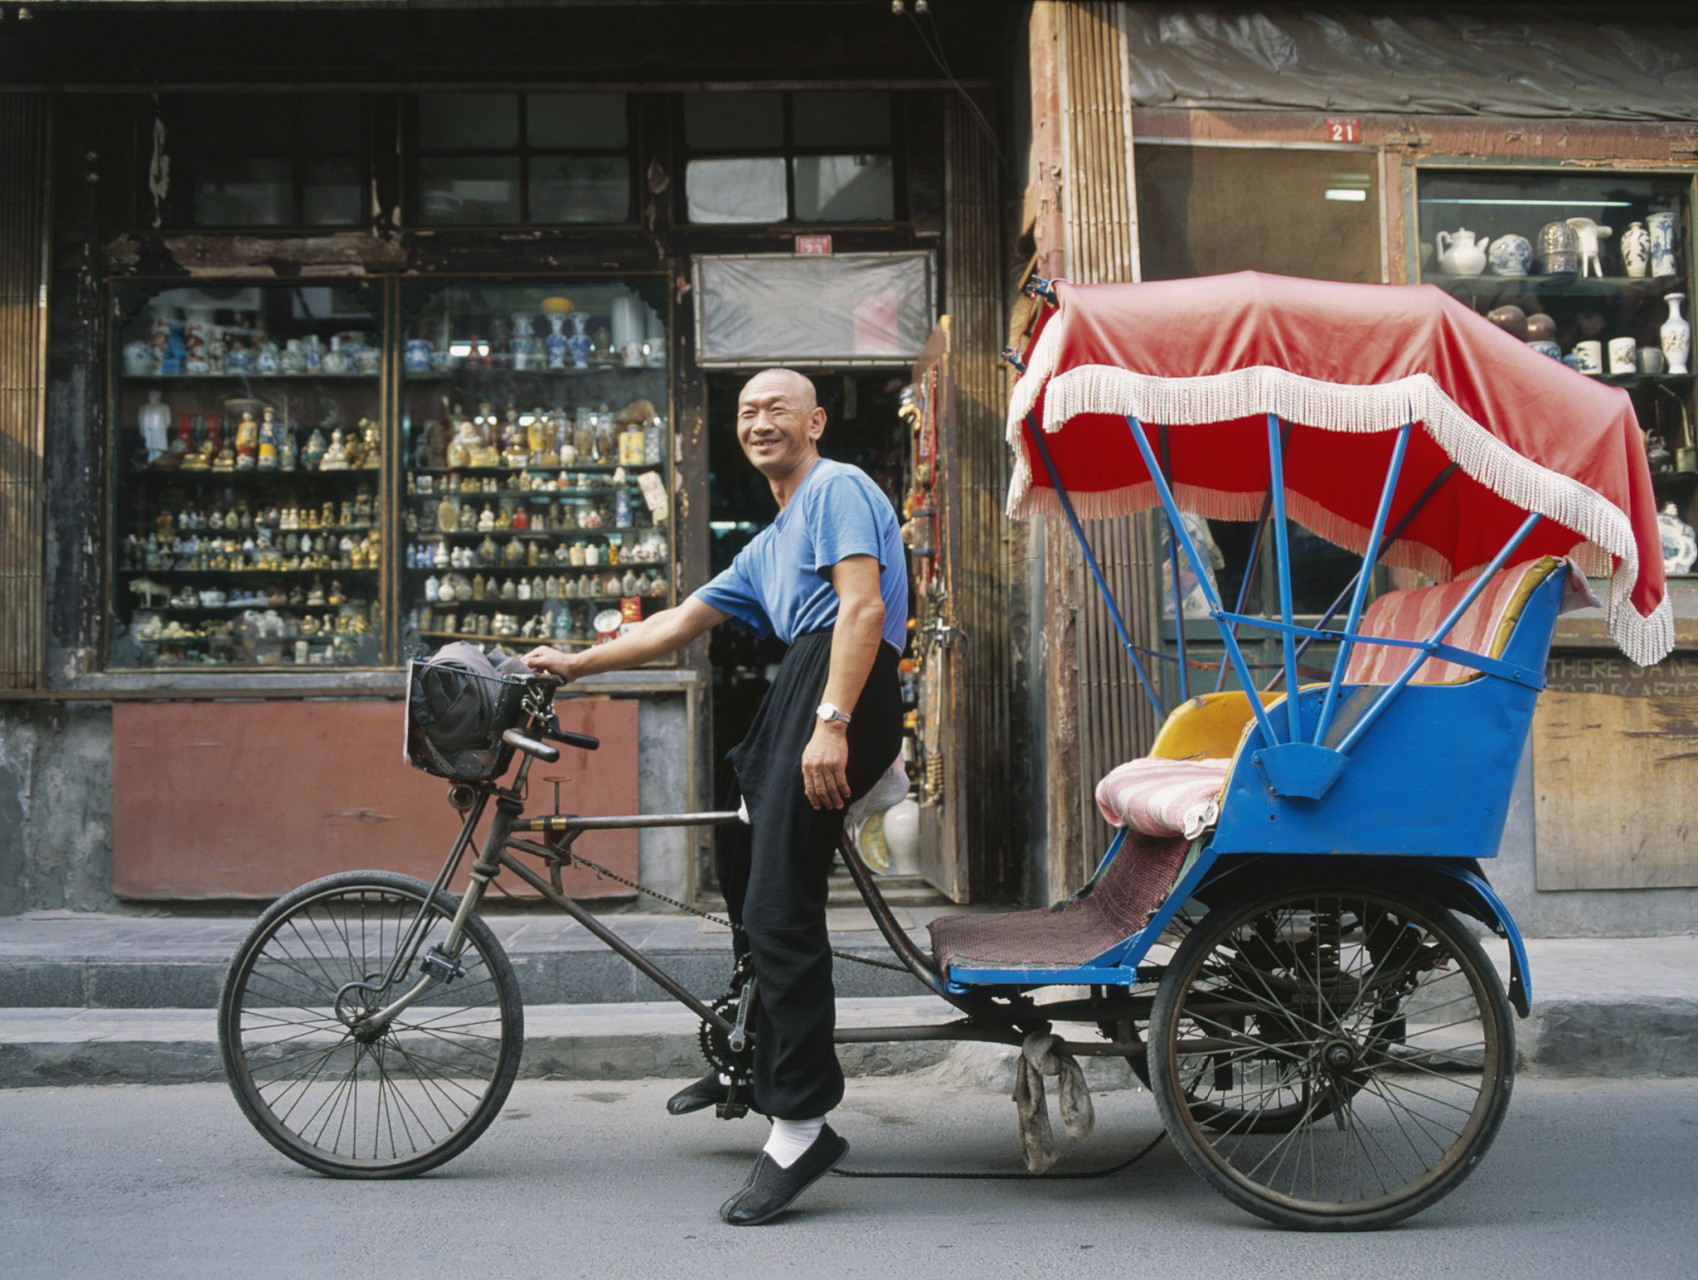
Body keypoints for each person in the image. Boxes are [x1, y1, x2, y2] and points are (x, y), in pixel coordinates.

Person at [523, 367, 907, 1226]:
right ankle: (752, 1049)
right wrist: (575, 664)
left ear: (814, 421)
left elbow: (863, 609)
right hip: (802, 682)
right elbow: (675, 623)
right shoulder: (769, 543)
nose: (758, 422)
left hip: (840, 678)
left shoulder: (837, 486)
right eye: (746, 412)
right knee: (739, 856)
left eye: (776, 408)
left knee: (779, 901)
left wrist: (833, 722)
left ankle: (803, 1123)